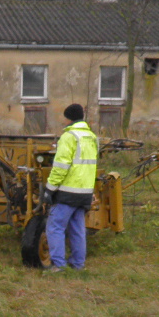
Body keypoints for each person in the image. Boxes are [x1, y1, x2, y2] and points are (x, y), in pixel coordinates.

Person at [42, 103, 99, 271]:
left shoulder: (69, 136)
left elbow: (61, 166)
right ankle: (77, 264)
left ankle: (58, 265)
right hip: (85, 191)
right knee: (77, 229)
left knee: (55, 227)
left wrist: (50, 189)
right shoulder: (92, 137)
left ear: (68, 118)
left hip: (68, 191)